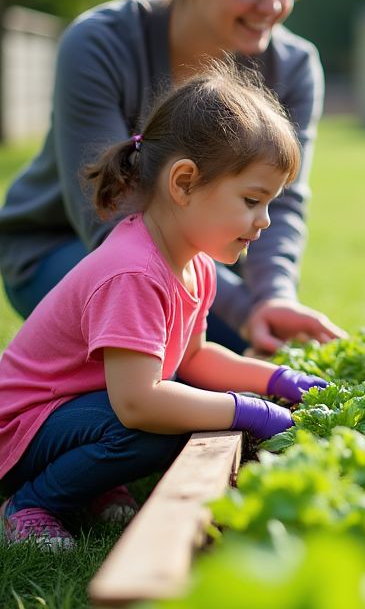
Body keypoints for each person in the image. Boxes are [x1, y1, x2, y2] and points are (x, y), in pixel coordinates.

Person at [0, 0, 341, 354]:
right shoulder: (99, 42)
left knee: (252, 348)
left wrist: (272, 297)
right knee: (164, 350)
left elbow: (284, 199)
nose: (272, 4)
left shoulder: (293, 65)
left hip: (190, 260)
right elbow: (105, 214)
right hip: (64, 245)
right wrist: (242, 310)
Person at [0, 64, 328, 549]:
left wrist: (275, 381)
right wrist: (244, 411)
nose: (263, 222)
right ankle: (31, 504)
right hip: (19, 431)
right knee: (155, 429)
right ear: (183, 183)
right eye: (252, 200)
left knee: (172, 410)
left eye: (270, 205)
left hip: (68, 414)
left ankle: (91, 485)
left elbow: (193, 359)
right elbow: (137, 403)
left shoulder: (195, 264)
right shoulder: (133, 271)